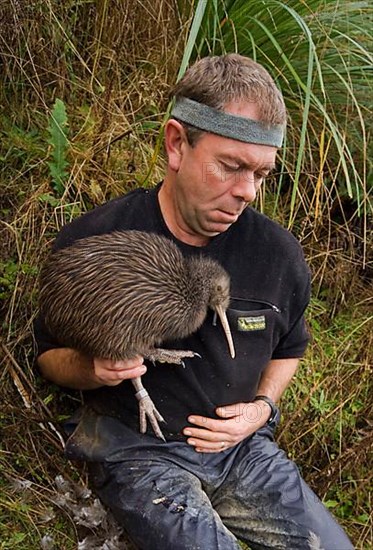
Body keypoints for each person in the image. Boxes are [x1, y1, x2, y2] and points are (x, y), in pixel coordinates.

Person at [35, 54, 353, 549]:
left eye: (262, 175)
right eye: (230, 167)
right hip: (139, 452)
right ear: (177, 144)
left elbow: (290, 348)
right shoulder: (98, 241)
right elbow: (49, 358)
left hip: (244, 452)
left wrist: (262, 410)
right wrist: (94, 368)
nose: (247, 191)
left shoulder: (277, 254)